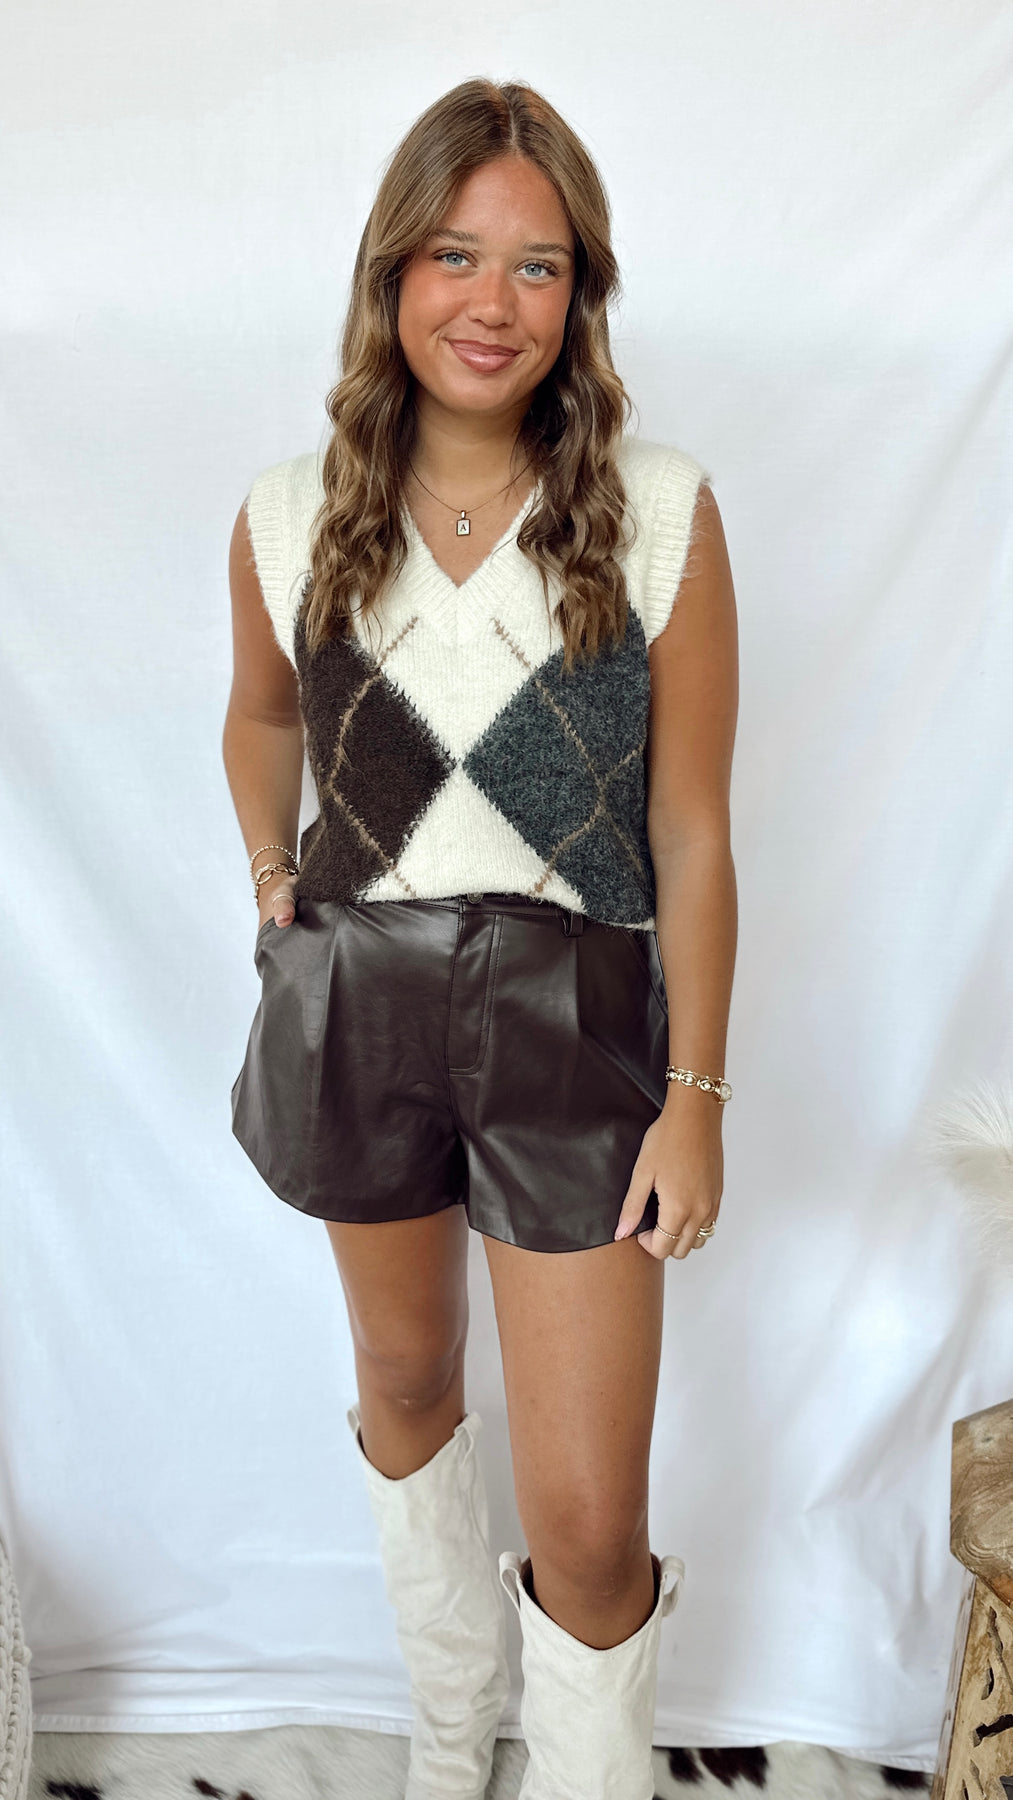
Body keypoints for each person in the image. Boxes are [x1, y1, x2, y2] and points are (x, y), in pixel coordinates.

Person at [222, 76, 738, 1800]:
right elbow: (260, 718)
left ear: (580, 295)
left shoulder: (655, 508)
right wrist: (268, 862)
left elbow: (691, 827)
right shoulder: (288, 512)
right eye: (454, 254)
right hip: (356, 1000)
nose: (491, 302)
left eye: (538, 265)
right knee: (403, 1378)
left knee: (588, 1520)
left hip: (571, 1016)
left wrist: (695, 1094)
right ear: (392, 271)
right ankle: (452, 1736)